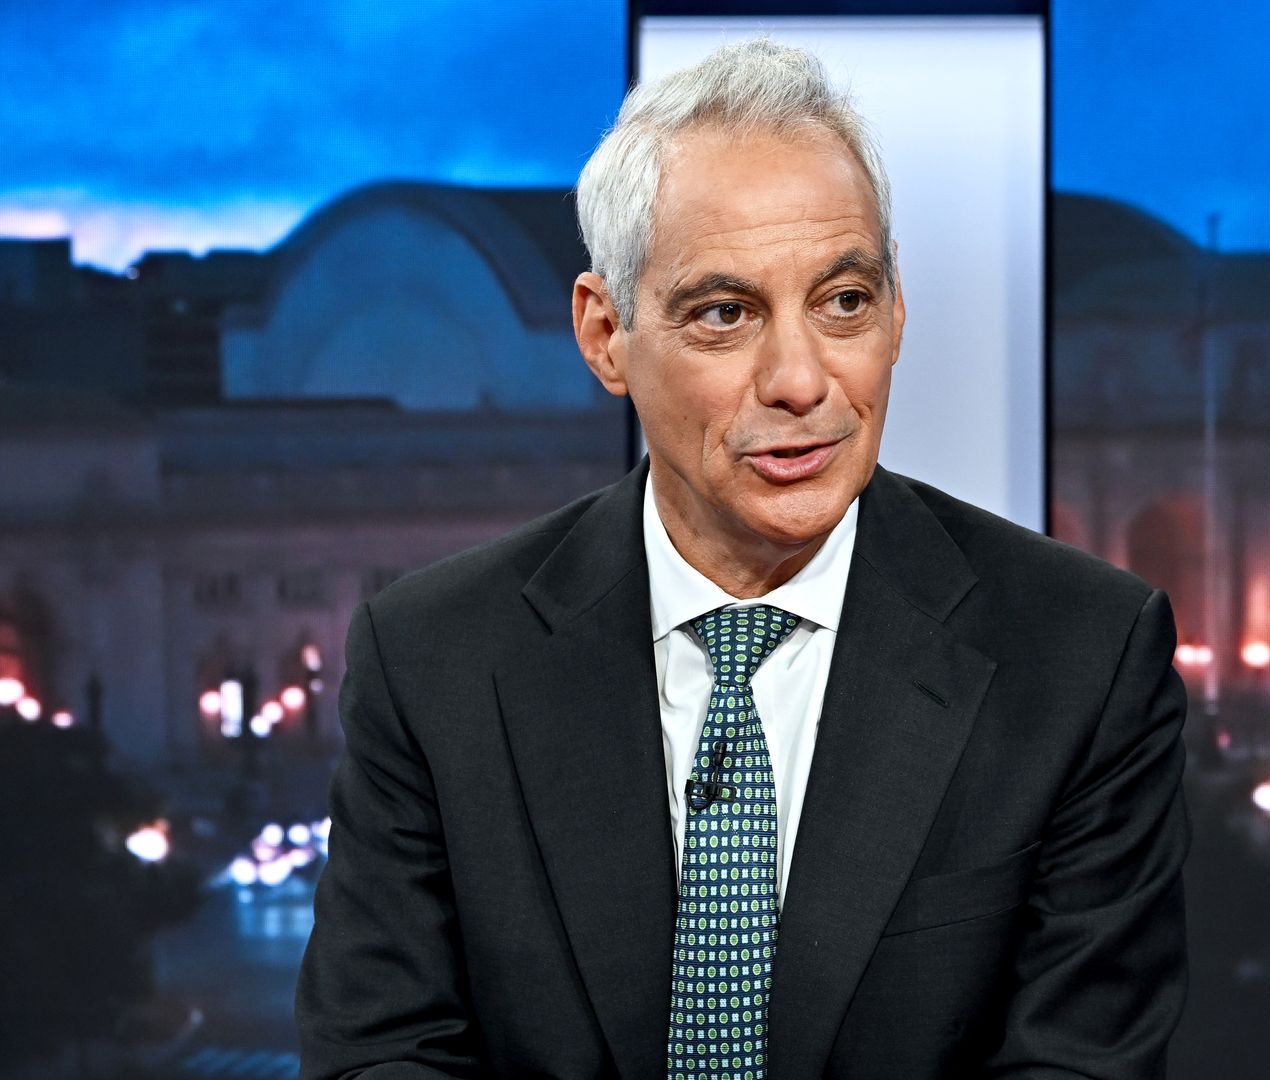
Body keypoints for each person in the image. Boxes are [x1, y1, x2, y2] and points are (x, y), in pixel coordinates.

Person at [296, 38, 1189, 1080]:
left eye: (844, 302)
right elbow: (380, 1054)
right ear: (605, 334)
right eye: (726, 314)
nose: (802, 380)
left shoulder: (1081, 658)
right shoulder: (433, 659)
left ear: (897, 312)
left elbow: (1079, 1067)